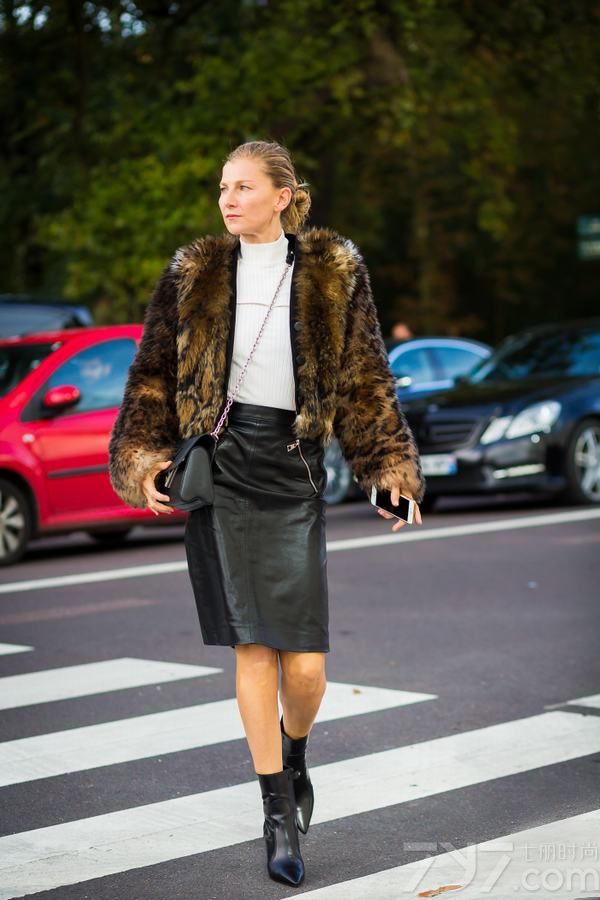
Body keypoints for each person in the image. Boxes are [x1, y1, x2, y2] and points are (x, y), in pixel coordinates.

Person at [109, 140, 425, 888]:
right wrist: (143, 458)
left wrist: (387, 467)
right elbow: (152, 377)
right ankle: (277, 811)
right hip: (223, 471)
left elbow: (365, 377)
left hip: (294, 470)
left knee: (306, 666)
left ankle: (296, 750)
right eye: (223, 187)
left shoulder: (333, 270)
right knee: (253, 649)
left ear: (283, 196)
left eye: (244, 187)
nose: (228, 199)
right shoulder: (192, 272)